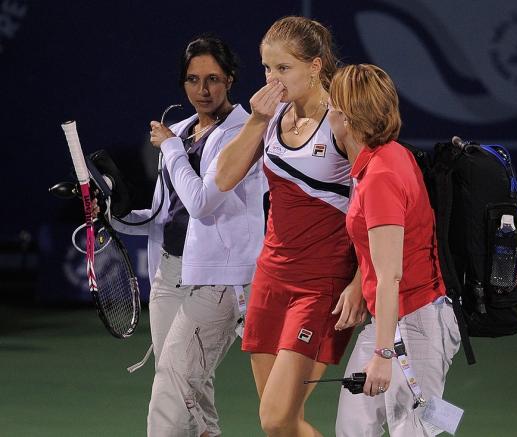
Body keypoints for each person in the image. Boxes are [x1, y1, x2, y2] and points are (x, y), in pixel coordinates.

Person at [215, 16, 366, 437]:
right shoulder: (271, 115)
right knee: (281, 426)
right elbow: (223, 179)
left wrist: (359, 281)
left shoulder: (342, 122)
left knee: (277, 417)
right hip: (270, 279)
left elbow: (373, 208)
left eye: (284, 69)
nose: (273, 79)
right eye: (267, 68)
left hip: (321, 285)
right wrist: (255, 121)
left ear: (316, 66)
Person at [111, 35, 266, 437]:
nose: (203, 90)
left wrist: (171, 149)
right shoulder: (180, 131)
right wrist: (114, 216)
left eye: (213, 78)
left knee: (172, 385)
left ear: (230, 79)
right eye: (193, 80)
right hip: (169, 275)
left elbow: (201, 203)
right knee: (187, 390)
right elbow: (167, 214)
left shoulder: (242, 134)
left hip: (218, 280)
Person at [327, 64, 461, 436]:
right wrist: (358, 284)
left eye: (332, 107)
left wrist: (384, 356)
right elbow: (381, 252)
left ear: (347, 118)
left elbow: (390, 275)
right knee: (353, 427)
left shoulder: (382, 176)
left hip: (416, 325)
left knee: (415, 431)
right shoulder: (384, 157)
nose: (328, 115)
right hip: (390, 320)